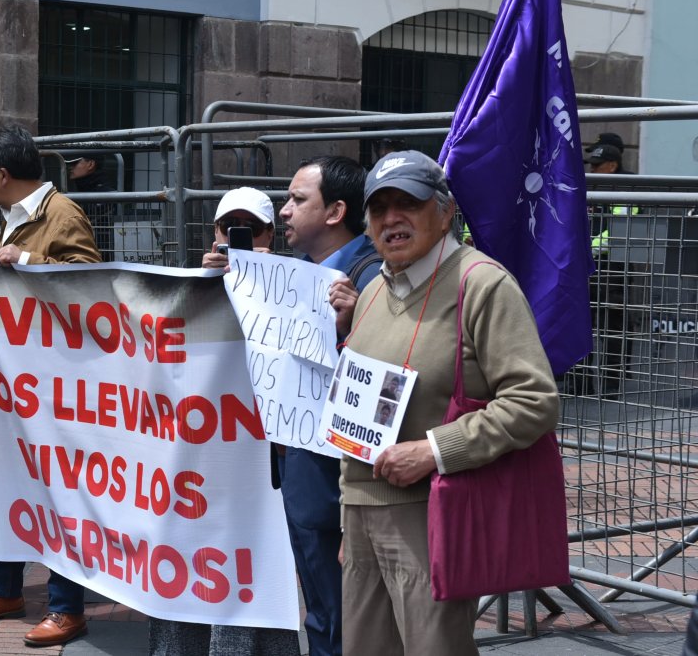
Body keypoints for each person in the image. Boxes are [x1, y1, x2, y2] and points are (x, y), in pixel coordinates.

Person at [340, 151, 559, 655]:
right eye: (379, 208)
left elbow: (535, 401)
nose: (391, 219)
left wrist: (434, 450)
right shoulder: (372, 291)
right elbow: (355, 416)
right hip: (361, 518)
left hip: (432, 516)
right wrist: (349, 517)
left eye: (407, 204)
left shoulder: (481, 284)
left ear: (445, 212)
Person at [0, 123, 100, 648]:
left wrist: (27, 259)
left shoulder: (62, 213)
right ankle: (4, 589)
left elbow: (89, 282)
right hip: (19, 382)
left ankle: (66, 607)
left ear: (3, 174)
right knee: (9, 481)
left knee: (61, 494)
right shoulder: (17, 216)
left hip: (56, 384)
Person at [156, 185, 301, 655]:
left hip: (260, 459)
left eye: (253, 229)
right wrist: (202, 282)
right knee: (191, 557)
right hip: (197, 456)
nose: (240, 237)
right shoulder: (193, 282)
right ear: (214, 233)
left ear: (271, 236)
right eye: (229, 227)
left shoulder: (294, 284)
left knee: (253, 558)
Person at [276, 155, 381, 656]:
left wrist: (352, 327)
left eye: (298, 200)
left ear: (336, 211)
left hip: (341, 472)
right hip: (301, 466)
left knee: (346, 610)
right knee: (319, 600)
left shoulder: (376, 280)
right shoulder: (294, 275)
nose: (284, 211)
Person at [586, 143, 638, 395]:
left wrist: (586, 247)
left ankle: (611, 384)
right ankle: (579, 383)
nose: (593, 169)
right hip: (585, 266)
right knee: (581, 323)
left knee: (612, 326)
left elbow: (621, 230)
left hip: (612, 269)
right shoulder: (588, 186)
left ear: (613, 165)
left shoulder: (625, 189)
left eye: (597, 165)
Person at [200, 186, 276, 272]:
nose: (240, 236)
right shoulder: (201, 278)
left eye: (252, 227)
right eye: (229, 225)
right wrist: (206, 277)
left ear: (270, 233)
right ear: (216, 229)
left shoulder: (284, 278)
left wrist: (269, 272)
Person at [66, 153, 115, 261]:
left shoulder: (106, 194)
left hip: (103, 258)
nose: (70, 167)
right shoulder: (80, 192)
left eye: (75, 163)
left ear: (90, 164)